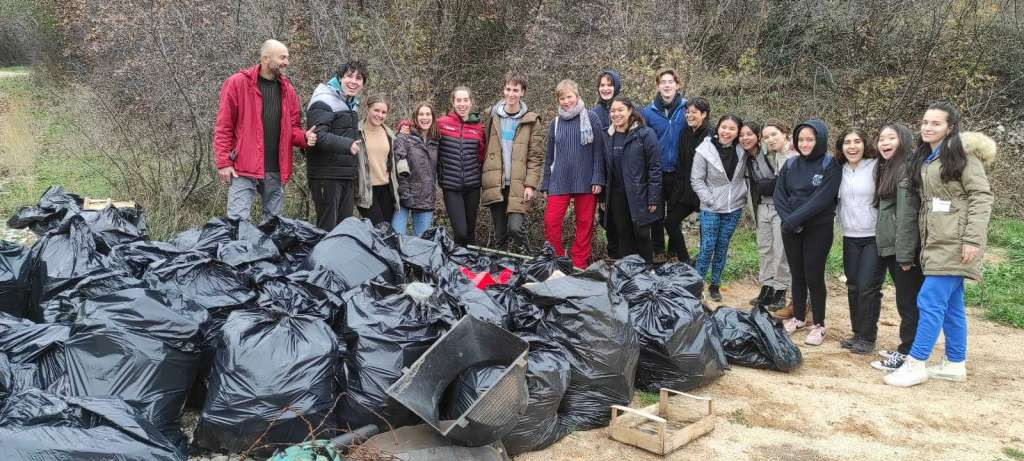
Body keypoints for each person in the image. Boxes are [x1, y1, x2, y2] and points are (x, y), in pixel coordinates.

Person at [884, 102, 995, 387]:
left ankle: (916, 362)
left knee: (929, 300)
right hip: (936, 241)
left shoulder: (964, 157)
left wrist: (972, 239)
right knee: (951, 306)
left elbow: (981, 197)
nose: (927, 127)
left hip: (956, 242)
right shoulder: (930, 157)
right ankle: (955, 363)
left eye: (935, 123)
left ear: (950, 127)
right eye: (924, 122)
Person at [214, 39, 315, 222]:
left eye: (287, 58)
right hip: (243, 168)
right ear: (266, 58)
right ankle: (238, 252)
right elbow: (224, 126)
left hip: (276, 168)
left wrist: (304, 138)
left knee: (273, 225)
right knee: (237, 222)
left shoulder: (288, 90)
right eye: (283, 57)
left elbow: (292, 129)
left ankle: (267, 253)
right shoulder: (237, 83)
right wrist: (223, 163)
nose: (287, 62)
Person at [775, 119, 841, 346]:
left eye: (810, 139)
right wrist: (788, 221)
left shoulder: (830, 164)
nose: (804, 144)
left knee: (814, 275)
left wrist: (794, 220)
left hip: (817, 229)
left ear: (820, 140)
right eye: (801, 139)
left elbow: (821, 199)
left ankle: (819, 324)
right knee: (797, 275)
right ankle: (799, 317)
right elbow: (779, 195)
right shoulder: (791, 164)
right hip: (791, 229)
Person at [870, 123, 924, 371]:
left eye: (891, 138)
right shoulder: (888, 168)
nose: (884, 143)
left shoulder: (905, 170)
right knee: (906, 301)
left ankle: (908, 354)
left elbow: (906, 217)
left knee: (908, 302)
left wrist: (905, 256)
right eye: (881, 139)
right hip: (892, 247)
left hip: (903, 250)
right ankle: (908, 347)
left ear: (903, 140)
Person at [542, 79, 606, 269]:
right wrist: (546, 183)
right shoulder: (555, 123)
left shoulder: (592, 118)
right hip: (559, 180)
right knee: (551, 220)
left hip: (586, 180)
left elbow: (598, 152)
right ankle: (557, 260)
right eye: (562, 98)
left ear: (577, 96)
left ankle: (579, 264)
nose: (566, 101)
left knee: (584, 224)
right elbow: (549, 155)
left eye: (569, 96)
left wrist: (597, 178)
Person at [481, 72, 544, 252]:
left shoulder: (531, 120)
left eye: (515, 90)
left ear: (522, 92)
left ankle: (529, 259)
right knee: (499, 233)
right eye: (508, 89)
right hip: (496, 182)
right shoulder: (491, 116)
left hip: (519, 184)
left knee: (515, 229)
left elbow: (535, 157)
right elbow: (480, 143)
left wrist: (530, 185)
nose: (511, 94)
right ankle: (499, 271)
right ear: (503, 90)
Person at [835, 128, 884, 354]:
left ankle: (868, 336)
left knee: (868, 287)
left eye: (857, 142)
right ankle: (857, 334)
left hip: (873, 236)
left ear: (865, 145)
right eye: (847, 142)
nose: (852, 147)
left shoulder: (876, 166)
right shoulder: (839, 170)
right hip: (850, 236)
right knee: (853, 286)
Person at [691, 115, 748, 302]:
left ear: (737, 132)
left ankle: (715, 285)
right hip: (711, 207)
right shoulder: (704, 150)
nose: (727, 132)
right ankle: (697, 285)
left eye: (732, 129)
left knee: (722, 246)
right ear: (718, 128)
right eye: (724, 127)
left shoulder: (743, 149)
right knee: (707, 246)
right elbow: (697, 180)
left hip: (734, 207)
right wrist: (710, 200)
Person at [305, 60, 366, 230]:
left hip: (345, 175)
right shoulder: (323, 100)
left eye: (359, 78)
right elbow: (318, 135)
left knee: (343, 230)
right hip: (326, 176)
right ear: (340, 78)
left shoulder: (351, 103)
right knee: (327, 230)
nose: (353, 81)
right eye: (349, 76)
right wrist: (347, 145)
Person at [603, 96, 661, 262]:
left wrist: (653, 197)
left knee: (642, 234)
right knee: (623, 235)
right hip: (616, 194)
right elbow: (604, 167)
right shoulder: (607, 135)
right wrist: (603, 196)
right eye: (613, 111)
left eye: (620, 110)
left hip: (639, 193)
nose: (616, 114)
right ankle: (629, 273)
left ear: (630, 111)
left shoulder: (645, 134)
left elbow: (654, 167)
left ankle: (646, 269)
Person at [746, 120, 795, 309]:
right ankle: (767, 287)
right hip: (763, 206)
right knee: (764, 247)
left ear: (785, 133)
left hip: (782, 208)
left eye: (774, 134)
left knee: (780, 250)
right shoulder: (769, 155)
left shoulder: (794, 155)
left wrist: (773, 185)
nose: (770, 139)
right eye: (766, 137)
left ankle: (781, 290)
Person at [641, 69, 687, 261]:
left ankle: (674, 251)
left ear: (677, 85)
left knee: (674, 215)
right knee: (657, 214)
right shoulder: (648, 112)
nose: (667, 85)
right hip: (657, 171)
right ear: (658, 86)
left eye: (671, 82)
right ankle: (658, 250)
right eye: (663, 82)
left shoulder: (687, 108)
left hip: (679, 171)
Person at [437, 86, 486, 246]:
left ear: (471, 103)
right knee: (460, 231)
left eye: (466, 100)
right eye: (459, 100)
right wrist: (404, 125)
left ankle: (469, 267)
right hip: (451, 186)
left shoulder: (479, 127)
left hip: (473, 186)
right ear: (453, 102)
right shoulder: (441, 124)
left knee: (470, 231)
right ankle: (458, 262)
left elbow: (482, 154)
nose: (462, 104)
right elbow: (420, 124)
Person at [667, 97, 710, 264]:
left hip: (705, 191)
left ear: (704, 114)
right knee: (670, 222)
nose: (689, 115)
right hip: (686, 190)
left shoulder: (710, 134)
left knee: (706, 229)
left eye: (694, 112)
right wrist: (678, 192)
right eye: (688, 112)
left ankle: (703, 262)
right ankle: (685, 259)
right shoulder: (685, 132)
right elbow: (682, 163)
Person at [391, 102, 439, 237]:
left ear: (433, 117)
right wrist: (404, 194)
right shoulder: (404, 138)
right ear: (415, 117)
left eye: (428, 114)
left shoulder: (436, 141)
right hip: (404, 196)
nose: (425, 118)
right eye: (421, 114)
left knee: (422, 242)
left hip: (426, 196)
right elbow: (400, 168)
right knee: (396, 237)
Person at [590, 70, 623, 258]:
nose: (605, 88)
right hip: (604, 176)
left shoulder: (627, 108)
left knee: (625, 221)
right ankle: (613, 259)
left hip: (624, 175)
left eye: (609, 84)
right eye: (602, 85)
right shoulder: (594, 113)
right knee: (608, 221)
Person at [355, 95, 401, 225]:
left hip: (387, 189)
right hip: (366, 190)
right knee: (378, 228)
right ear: (367, 109)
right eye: (376, 110)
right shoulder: (356, 132)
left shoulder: (389, 133)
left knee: (386, 230)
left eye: (383, 112)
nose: (380, 115)